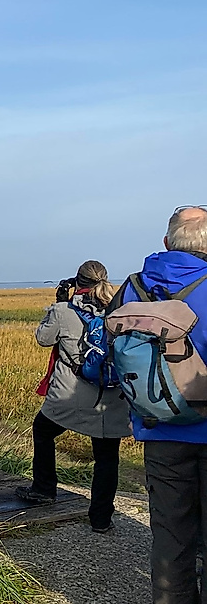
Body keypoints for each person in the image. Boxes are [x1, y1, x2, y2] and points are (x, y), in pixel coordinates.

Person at [111, 206, 207, 604]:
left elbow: (109, 351)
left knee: (170, 535)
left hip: (158, 426)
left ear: (167, 242)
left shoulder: (132, 287)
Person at [15, 260, 131, 533]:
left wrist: (58, 303)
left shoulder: (63, 311)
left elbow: (43, 339)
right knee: (107, 458)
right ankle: (101, 519)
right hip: (111, 398)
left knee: (43, 431)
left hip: (70, 395)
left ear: (77, 284)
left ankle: (44, 489)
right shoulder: (121, 311)